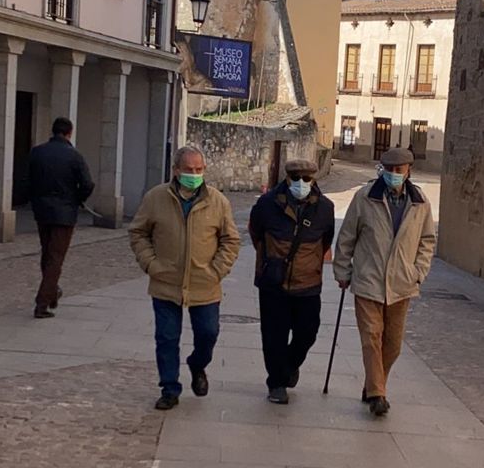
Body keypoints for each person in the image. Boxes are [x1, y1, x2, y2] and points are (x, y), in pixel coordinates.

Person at [129, 146, 241, 411]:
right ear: (176, 170)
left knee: (208, 333)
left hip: (206, 283)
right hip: (166, 282)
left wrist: (217, 270)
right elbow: (138, 233)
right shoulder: (156, 198)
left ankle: (197, 364)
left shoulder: (217, 201)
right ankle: (170, 388)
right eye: (189, 170)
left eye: (199, 170)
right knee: (167, 337)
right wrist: (151, 264)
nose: (194, 175)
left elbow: (231, 239)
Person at [332, 147, 437, 417]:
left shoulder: (420, 203)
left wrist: (418, 271)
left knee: (393, 344)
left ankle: (372, 385)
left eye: (398, 170)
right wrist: (343, 271)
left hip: (401, 285)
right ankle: (378, 395)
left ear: (408, 171)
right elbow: (346, 237)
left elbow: (427, 240)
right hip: (368, 281)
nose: (392, 174)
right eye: (388, 169)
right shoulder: (365, 198)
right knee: (371, 337)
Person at [248, 158, 336, 404]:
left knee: (307, 333)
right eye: (296, 178)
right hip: (273, 282)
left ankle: (289, 366)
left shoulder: (325, 209)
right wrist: (270, 261)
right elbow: (256, 233)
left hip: (308, 284)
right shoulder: (267, 204)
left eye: (306, 179)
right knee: (273, 335)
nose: (301, 183)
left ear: (314, 179)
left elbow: (326, 240)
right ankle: (276, 383)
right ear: (287, 179)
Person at [27, 117, 95, 319]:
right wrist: (78, 199)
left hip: (42, 210)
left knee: (47, 254)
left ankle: (51, 293)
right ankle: (42, 302)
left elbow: (27, 179)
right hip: (65, 213)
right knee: (56, 257)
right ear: (69, 133)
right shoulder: (74, 156)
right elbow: (88, 184)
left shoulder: (37, 152)